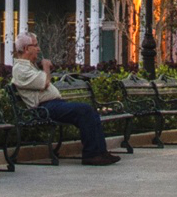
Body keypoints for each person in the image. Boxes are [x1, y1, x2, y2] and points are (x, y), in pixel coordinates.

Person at [9, 34, 119, 165]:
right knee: (84, 110)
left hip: (52, 105)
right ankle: (91, 154)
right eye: (36, 45)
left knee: (89, 111)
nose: (38, 49)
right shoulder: (20, 69)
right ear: (27, 48)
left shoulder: (29, 66)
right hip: (43, 108)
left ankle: (101, 152)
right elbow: (44, 82)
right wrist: (46, 66)